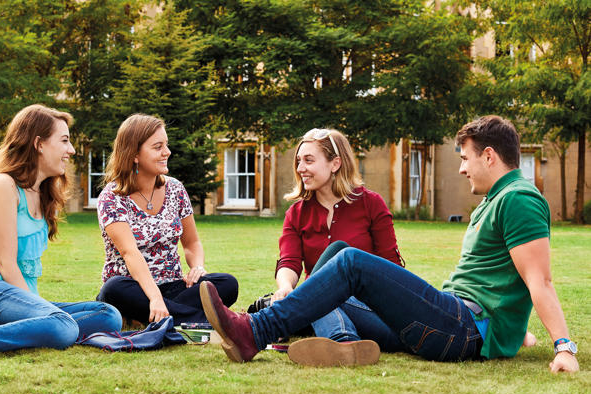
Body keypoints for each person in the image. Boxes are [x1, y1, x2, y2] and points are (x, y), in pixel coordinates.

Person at [200, 115, 579, 373]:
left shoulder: (519, 199)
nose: (462, 168)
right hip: (451, 321)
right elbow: (501, 280)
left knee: (349, 260)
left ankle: (255, 331)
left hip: (463, 327)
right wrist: (515, 331)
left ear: (490, 156)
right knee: (335, 256)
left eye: (465, 158)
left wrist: (564, 346)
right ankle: (341, 342)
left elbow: (539, 280)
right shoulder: (495, 201)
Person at [0, 104, 122, 363]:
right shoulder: (3, 185)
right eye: (64, 141)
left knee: (108, 316)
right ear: (39, 143)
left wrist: (40, 310)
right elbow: (5, 264)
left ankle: (1, 330)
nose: (71, 150)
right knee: (61, 327)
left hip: (12, 297)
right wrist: (43, 313)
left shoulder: (42, 194)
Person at [270, 128, 406, 362]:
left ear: (335, 164)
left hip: (373, 310)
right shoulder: (297, 213)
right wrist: (284, 287)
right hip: (323, 306)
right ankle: (344, 344)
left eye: (309, 160)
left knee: (336, 257)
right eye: (299, 161)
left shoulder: (371, 204)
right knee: (319, 292)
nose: (300, 168)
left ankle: (323, 333)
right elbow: (289, 261)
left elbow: (392, 268)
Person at [96, 114, 238, 326]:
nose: (167, 152)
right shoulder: (112, 196)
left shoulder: (175, 189)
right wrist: (154, 297)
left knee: (227, 283)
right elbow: (130, 253)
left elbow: (192, 243)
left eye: (167, 145)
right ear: (134, 154)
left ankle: (162, 316)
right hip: (134, 289)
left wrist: (197, 267)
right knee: (114, 289)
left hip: (174, 286)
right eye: (157, 147)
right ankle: (210, 321)